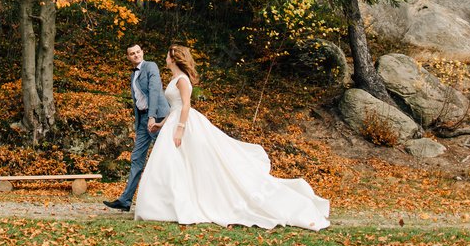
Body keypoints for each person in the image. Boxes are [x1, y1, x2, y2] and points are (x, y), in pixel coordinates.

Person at [133, 45, 331, 230]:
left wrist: (179, 129)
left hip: (184, 124)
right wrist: (162, 123)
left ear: (174, 58)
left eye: (168, 56)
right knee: (173, 163)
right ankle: (169, 203)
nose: (165, 59)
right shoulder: (174, 80)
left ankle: (184, 203)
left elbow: (186, 105)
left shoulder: (182, 80)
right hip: (173, 121)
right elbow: (175, 107)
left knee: (191, 162)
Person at [103, 43, 171, 212]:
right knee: (136, 158)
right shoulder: (133, 75)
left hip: (157, 118)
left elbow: (155, 92)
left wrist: (152, 117)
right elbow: (137, 103)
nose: (136, 55)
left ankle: (171, 198)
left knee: (167, 157)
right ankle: (125, 200)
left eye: (138, 52)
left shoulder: (151, 67)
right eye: (132, 53)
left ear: (142, 52)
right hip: (142, 122)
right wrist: (137, 128)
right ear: (128, 57)